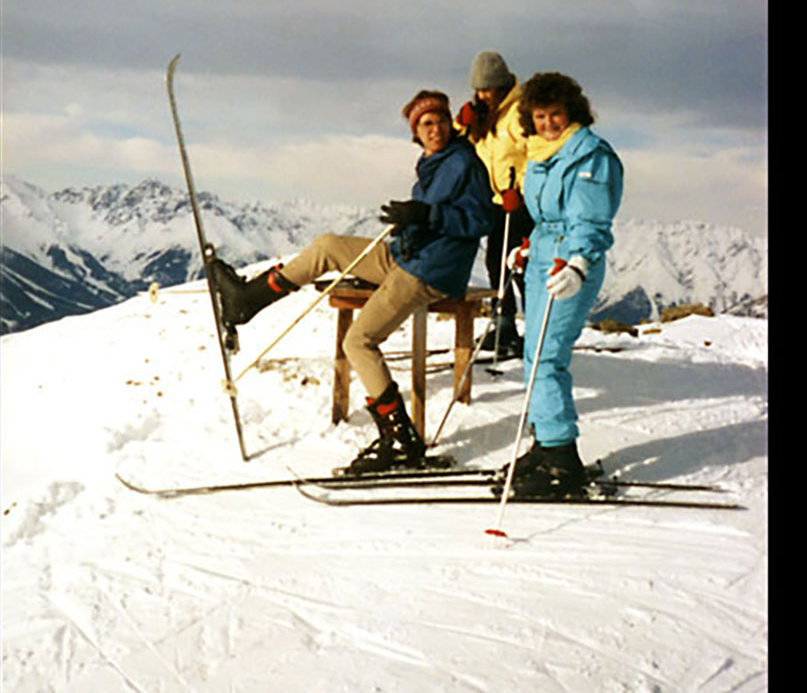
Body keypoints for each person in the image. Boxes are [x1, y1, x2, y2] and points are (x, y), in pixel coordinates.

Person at [210, 90, 494, 474]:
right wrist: (413, 221)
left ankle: (401, 441)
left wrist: (428, 215)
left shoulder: (464, 162)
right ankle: (247, 301)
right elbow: (434, 215)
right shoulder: (432, 162)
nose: (436, 128)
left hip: (432, 271)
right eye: (426, 124)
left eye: (441, 120)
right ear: (415, 132)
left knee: (358, 341)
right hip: (406, 255)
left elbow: (481, 222)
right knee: (329, 246)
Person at [505, 72, 623, 498]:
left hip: (568, 261)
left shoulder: (589, 155)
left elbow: (589, 219)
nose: (549, 123)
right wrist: (527, 245)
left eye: (556, 114)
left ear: (571, 112)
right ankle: (546, 443)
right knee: (534, 354)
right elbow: (546, 215)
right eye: (540, 116)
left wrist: (579, 263)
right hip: (542, 256)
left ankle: (562, 459)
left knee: (548, 356)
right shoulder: (540, 154)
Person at [453, 51, 534, 359]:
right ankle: (504, 325)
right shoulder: (489, 114)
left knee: (520, 265)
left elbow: (536, 155)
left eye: (488, 89)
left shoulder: (518, 114)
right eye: (478, 89)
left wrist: (521, 191)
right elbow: (473, 145)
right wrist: (463, 124)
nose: (482, 94)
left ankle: (533, 329)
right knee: (496, 263)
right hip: (498, 201)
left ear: (501, 85)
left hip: (521, 202)